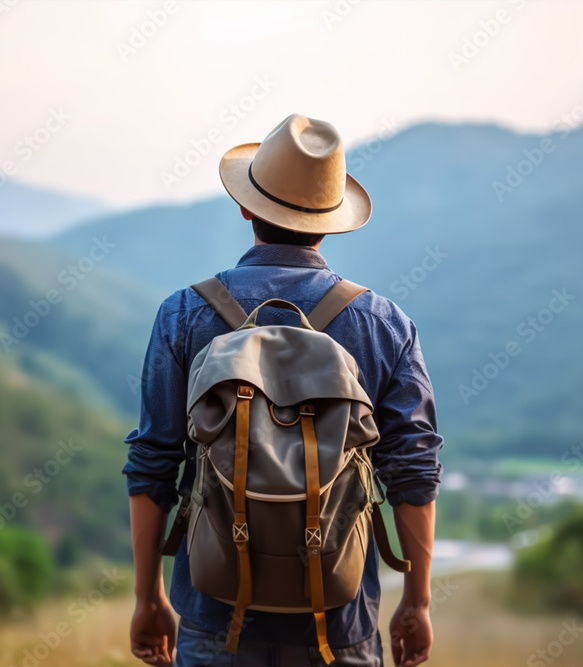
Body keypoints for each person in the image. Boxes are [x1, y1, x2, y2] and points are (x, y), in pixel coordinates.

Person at [124, 113, 443, 666]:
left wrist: (147, 596)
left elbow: (153, 465)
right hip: (339, 625)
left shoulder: (183, 314)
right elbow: (413, 473)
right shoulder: (383, 322)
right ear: (331, 221)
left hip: (212, 617)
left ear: (246, 205)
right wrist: (418, 602)